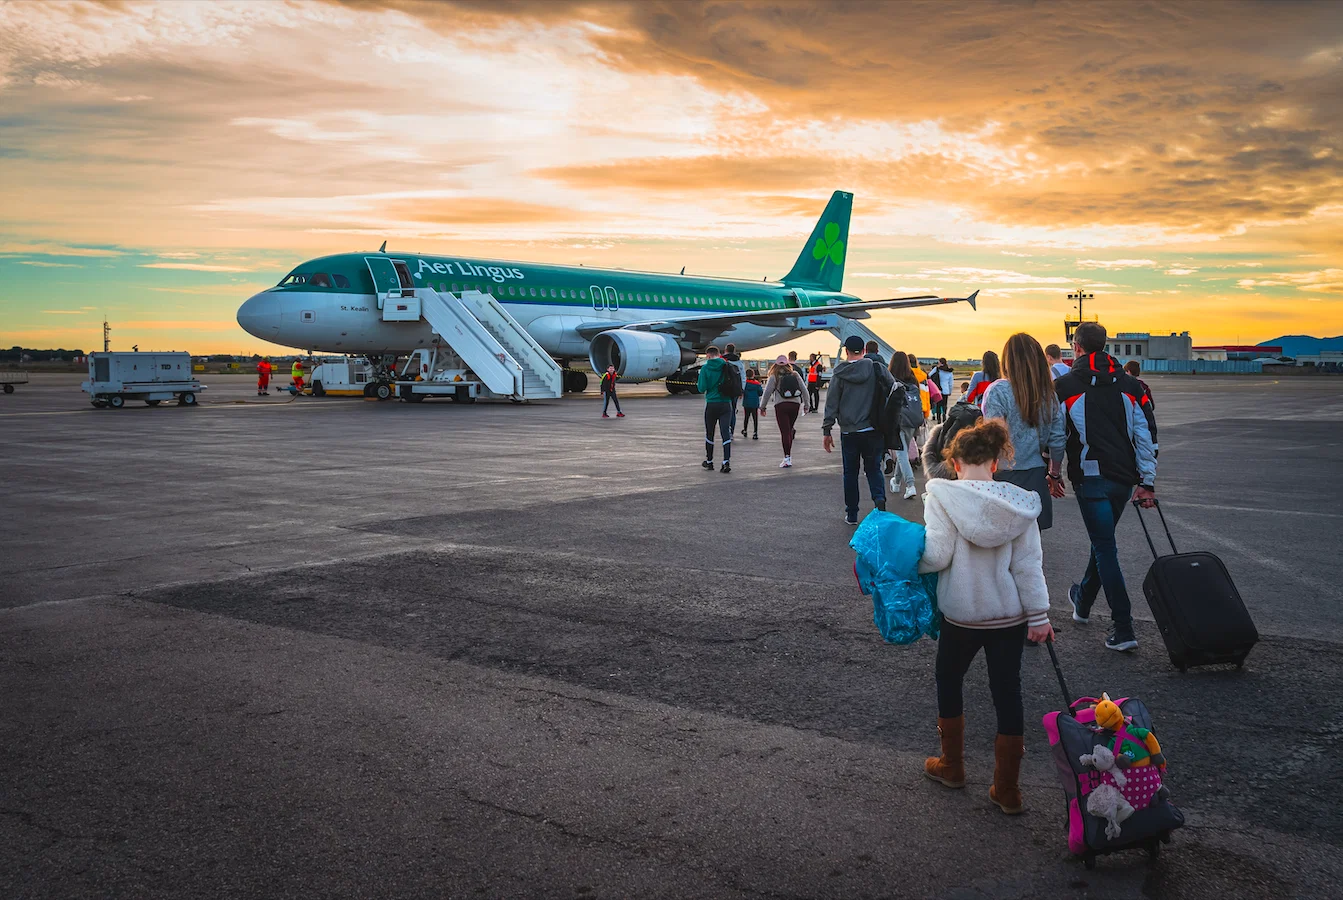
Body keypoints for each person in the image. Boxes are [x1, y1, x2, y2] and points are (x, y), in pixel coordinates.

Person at [919, 419, 1053, 815]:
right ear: (995, 464)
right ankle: (1007, 789)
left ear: (955, 463)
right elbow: (1029, 566)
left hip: (961, 616)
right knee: (1007, 691)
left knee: (949, 678)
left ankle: (953, 765)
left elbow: (937, 555)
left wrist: (911, 562)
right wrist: (1039, 616)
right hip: (1008, 617)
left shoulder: (942, 497)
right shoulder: (1018, 504)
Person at [1055, 322, 1158, 653]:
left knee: (1105, 548)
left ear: (1078, 347)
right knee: (1103, 544)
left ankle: (1124, 626)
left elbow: (1057, 436)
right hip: (1124, 480)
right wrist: (1147, 481)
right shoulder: (1132, 385)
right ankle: (1082, 602)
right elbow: (1146, 435)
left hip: (1091, 478)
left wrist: (1052, 471)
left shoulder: (1065, 385)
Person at [981, 333, 1067, 531]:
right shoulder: (1048, 395)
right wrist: (1054, 474)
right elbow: (1057, 440)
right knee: (1030, 550)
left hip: (1002, 476)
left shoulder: (998, 391)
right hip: (1035, 475)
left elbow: (992, 437)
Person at [823, 335, 893, 523]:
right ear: (864, 350)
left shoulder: (839, 373)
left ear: (846, 351)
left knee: (850, 473)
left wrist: (827, 430)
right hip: (873, 429)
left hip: (849, 432)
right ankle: (879, 504)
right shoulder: (877, 368)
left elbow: (831, 403)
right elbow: (894, 389)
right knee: (873, 470)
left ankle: (852, 513)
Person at [885, 352, 922, 501]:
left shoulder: (890, 379)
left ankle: (910, 485)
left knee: (901, 454)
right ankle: (896, 481)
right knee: (903, 453)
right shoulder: (913, 380)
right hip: (912, 421)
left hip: (898, 420)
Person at [760, 355, 807, 467]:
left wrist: (762, 407)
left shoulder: (774, 376)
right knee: (789, 429)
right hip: (795, 404)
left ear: (776, 364)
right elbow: (804, 390)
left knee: (785, 432)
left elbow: (767, 393)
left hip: (781, 405)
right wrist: (807, 405)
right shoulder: (795, 374)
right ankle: (788, 456)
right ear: (787, 364)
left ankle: (787, 458)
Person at [698, 347, 734, 473]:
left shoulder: (705, 368)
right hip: (726, 404)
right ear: (719, 355)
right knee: (725, 433)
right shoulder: (726, 366)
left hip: (712, 404)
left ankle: (709, 461)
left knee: (710, 433)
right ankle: (726, 461)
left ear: (707, 355)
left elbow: (701, 388)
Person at [723, 343, 746, 433]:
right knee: (732, 410)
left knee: (724, 411)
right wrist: (742, 390)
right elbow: (743, 377)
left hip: (724, 389)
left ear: (726, 350)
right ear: (734, 351)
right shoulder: (739, 362)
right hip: (735, 389)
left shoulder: (723, 360)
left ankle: (725, 430)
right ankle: (731, 431)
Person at [741, 368, 763, 439]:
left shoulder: (745, 384)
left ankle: (745, 430)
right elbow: (760, 393)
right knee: (755, 418)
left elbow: (742, 391)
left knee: (746, 417)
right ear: (753, 375)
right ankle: (755, 432)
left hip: (746, 403)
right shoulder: (757, 384)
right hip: (754, 403)